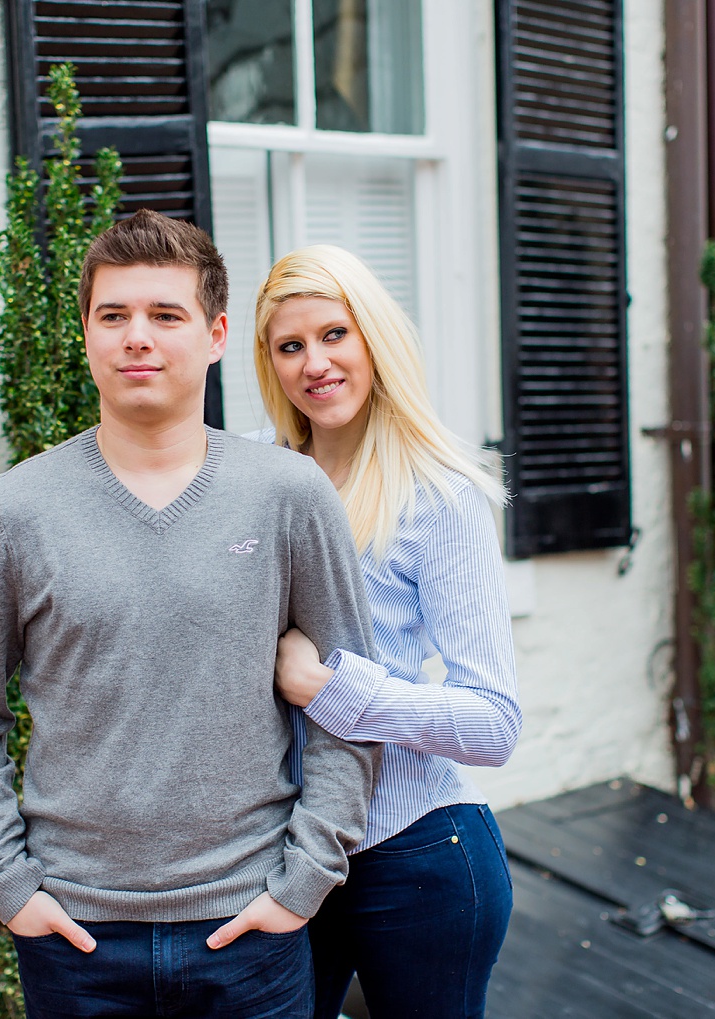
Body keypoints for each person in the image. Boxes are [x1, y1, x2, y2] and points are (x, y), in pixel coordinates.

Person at [0, 211, 381, 1019]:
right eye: (114, 315)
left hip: (251, 928)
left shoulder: (288, 496)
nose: (137, 336)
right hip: (77, 937)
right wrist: (8, 885)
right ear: (87, 334)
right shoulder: (17, 509)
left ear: (213, 336)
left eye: (164, 315)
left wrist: (304, 882)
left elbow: (353, 698)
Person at [253, 245, 522, 1019]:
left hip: (418, 856)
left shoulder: (440, 499)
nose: (315, 363)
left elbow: (494, 722)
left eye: (335, 334)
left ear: (375, 339)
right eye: (291, 345)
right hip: (289, 855)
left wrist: (333, 690)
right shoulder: (261, 488)